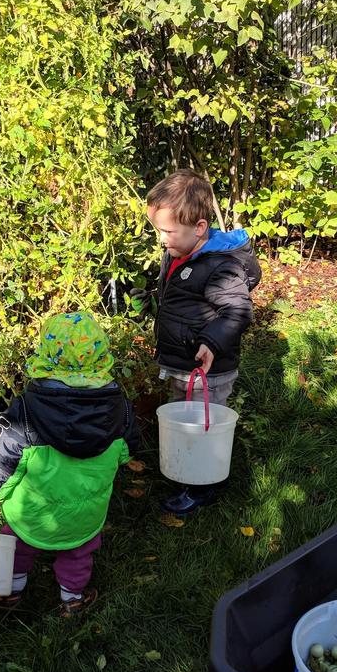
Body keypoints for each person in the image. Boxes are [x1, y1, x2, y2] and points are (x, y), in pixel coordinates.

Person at [0, 312, 139, 615]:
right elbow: (127, 450)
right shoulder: (118, 410)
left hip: (32, 515)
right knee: (78, 552)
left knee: (16, 545)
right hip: (86, 516)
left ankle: (9, 590)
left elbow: (1, 457)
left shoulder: (27, 413)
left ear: (46, 356)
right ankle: (72, 598)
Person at [144, 169, 260, 515]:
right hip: (184, 363)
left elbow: (238, 311)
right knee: (185, 419)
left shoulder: (220, 267)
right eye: (158, 230)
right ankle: (186, 469)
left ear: (199, 227)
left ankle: (202, 487)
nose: (162, 239)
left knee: (203, 424)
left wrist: (211, 341)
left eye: (167, 231)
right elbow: (181, 300)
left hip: (208, 367)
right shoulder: (181, 253)